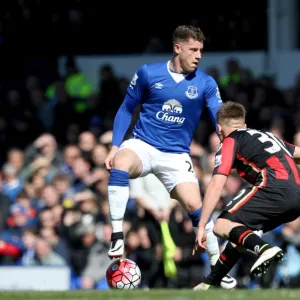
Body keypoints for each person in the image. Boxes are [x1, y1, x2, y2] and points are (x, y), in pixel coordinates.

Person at [104, 25, 236, 289]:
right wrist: (115, 145)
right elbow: (126, 109)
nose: (199, 55)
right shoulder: (148, 73)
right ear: (178, 48)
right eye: (193, 49)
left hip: (176, 155)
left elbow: (219, 117)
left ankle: (218, 269)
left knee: (198, 209)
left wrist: (232, 139)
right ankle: (117, 235)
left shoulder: (205, 83)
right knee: (120, 163)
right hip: (143, 145)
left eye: (201, 50)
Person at [193, 101, 300, 290]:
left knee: (221, 224)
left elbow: (218, 182)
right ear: (244, 124)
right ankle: (210, 282)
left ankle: (264, 249)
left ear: (219, 129)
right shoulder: (268, 136)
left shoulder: (230, 139)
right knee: (240, 234)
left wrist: (202, 225)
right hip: (296, 196)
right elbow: (296, 153)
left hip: (273, 187)